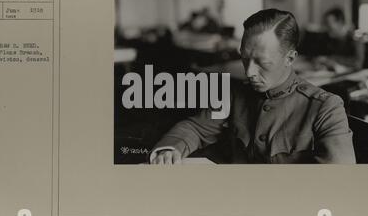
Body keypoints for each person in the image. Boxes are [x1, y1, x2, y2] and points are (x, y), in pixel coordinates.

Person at [149, 9, 356, 164]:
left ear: (290, 58)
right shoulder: (235, 94)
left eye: (263, 63)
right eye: (244, 59)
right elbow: (196, 127)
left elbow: (336, 185)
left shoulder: (326, 107)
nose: (249, 72)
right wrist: (170, 149)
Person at [313, 7, 365, 71]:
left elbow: (357, 64)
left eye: (328, 24)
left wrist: (332, 60)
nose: (326, 27)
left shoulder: (356, 38)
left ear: (340, 22)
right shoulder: (328, 38)